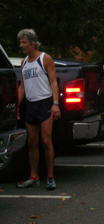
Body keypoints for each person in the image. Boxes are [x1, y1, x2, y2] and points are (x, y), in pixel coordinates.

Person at [16, 29, 60, 190]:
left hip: (45, 103)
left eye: (24, 42)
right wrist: (16, 105)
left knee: (46, 140)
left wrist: (55, 103)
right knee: (31, 142)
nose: (21, 45)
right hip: (31, 105)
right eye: (20, 42)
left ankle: (50, 176)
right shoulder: (24, 62)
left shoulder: (45, 58)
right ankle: (33, 176)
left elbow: (54, 82)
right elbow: (22, 86)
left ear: (33, 43)